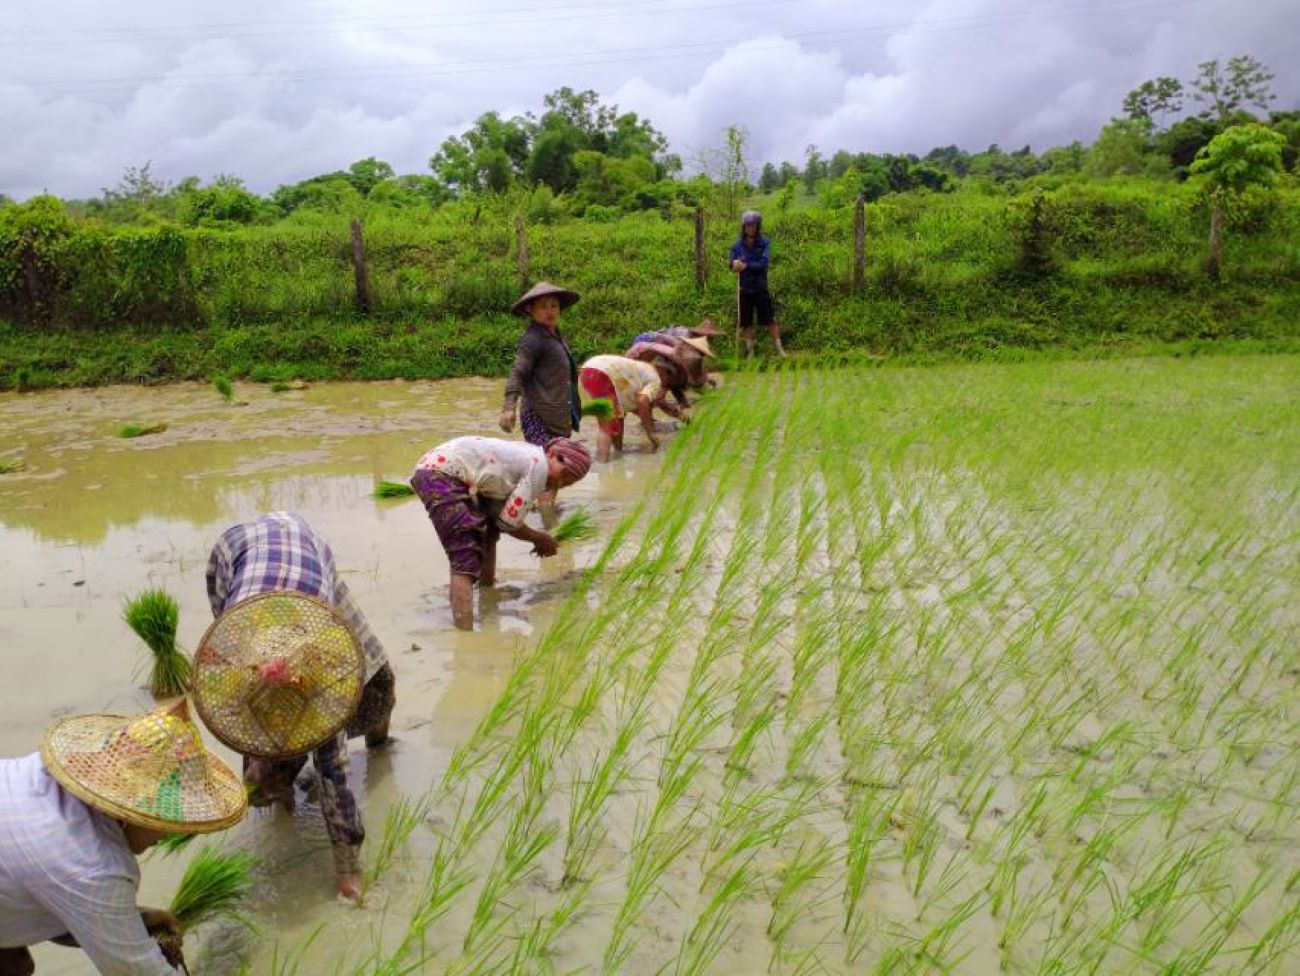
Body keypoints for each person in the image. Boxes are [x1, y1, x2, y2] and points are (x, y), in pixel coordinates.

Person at [202, 512, 395, 903]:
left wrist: (348, 868)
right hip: (235, 552)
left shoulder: (324, 664)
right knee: (257, 733)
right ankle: (274, 789)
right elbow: (242, 725)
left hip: (308, 554)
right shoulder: (234, 661)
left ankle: (382, 744)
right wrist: (262, 775)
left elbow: (335, 776)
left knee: (376, 675)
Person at [0, 700, 246, 975]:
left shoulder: (43, 774)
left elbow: (48, 896)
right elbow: (138, 971)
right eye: (168, 815)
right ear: (134, 808)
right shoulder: (93, 867)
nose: (171, 832)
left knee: (15, 964)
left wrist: (136, 918)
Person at [410, 436, 592, 630]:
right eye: (563, 475)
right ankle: (465, 640)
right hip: (440, 475)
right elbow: (509, 522)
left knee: (488, 532)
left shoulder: (529, 457)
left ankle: (488, 595)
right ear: (553, 454)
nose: (559, 483)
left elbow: (497, 516)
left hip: (437, 469)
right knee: (464, 557)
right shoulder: (539, 467)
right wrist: (540, 538)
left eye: (567, 483)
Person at [499, 281, 582, 448]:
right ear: (531, 310)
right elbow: (518, 371)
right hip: (539, 418)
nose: (550, 311)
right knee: (547, 468)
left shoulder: (558, 336)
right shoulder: (532, 339)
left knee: (560, 470)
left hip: (559, 417)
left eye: (553, 306)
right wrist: (509, 407)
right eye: (543, 307)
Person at [578, 354, 686, 462]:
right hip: (601, 373)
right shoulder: (655, 378)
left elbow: (623, 414)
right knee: (607, 427)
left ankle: (617, 453)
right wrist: (650, 433)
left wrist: (619, 451)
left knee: (615, 418)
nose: (666, 381)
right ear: (663, 371)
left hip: (587, 371)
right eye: (668, 376)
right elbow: (643, 402)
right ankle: (603, 464)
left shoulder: (640, 371)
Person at [729, 210, 785, 357]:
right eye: (747, 226)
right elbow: (732, 264)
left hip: (760, 287)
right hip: (745, 288)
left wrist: (746, 266)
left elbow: (764, 263)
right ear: (744, 227)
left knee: (770, 320)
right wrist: (734, 264)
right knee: (746, 323)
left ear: (758, 226)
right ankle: (751, 352)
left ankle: (779, 349)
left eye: (753, 225)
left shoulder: (764, 243)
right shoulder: (737, 245)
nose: (750, 228)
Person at [624, 334, 717, 409]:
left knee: (673, 383)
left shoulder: (684, 350)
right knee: (662, 386)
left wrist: (705, 379)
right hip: (644, 357)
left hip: (660, 358)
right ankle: (658, 407)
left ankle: (682, 404)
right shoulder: (676, 351)